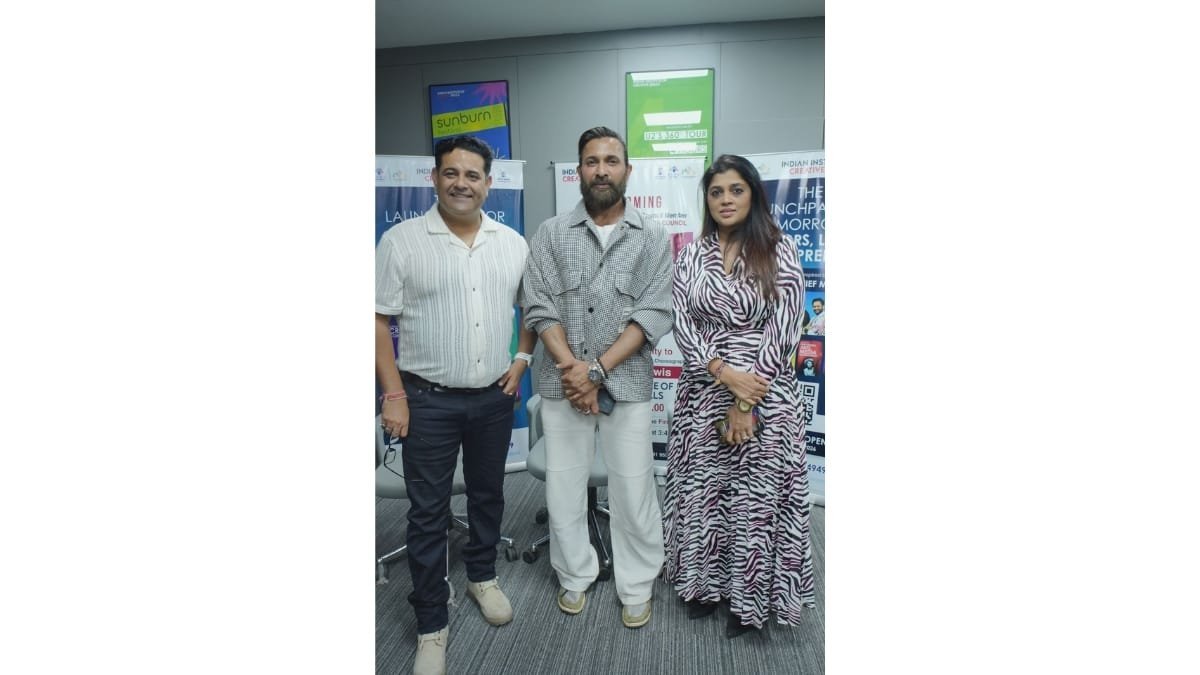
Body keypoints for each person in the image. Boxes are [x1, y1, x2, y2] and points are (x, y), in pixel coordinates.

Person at [375, 135, 535, 675]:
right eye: (451, 173)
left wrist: (522, 359)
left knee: (489, 495)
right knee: (427, 513)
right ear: (435, 178)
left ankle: (481, 577)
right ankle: (431, 623)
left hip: (494, 397)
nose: (461, 183)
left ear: (488, 183)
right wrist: (393, 395)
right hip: (426, 401)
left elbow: (531, 310)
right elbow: (377, 319)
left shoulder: (512, 243)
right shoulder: (401, 242)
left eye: (472, 175)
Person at [522, 126, 674, 630]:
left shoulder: (651, 236)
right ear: (579, 171)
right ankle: (574, 573)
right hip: (561, 385)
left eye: (611, 161)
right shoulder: (550, 234)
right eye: (592, 161)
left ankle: (637, 584)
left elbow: (654, 312)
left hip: (625, 384)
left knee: (633, 488)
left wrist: (595, 371)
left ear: (627, 170)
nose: (601, 170)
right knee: (564, 486)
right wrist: (575, 370)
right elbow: (539, 306)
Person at [663, 154, 817, 638]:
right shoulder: (691, 255)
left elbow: (785, 328)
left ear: (753, 195)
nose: (725, 199)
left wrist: (745, 401)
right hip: (703, 391)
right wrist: (721, 372)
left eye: (736, 190)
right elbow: (683, 322)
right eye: (716, 192)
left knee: (754, 503)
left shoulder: (779, 248)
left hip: (764, 392)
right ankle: (705, 588)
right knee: (703, 497)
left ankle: (748, 603)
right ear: (707, 200)